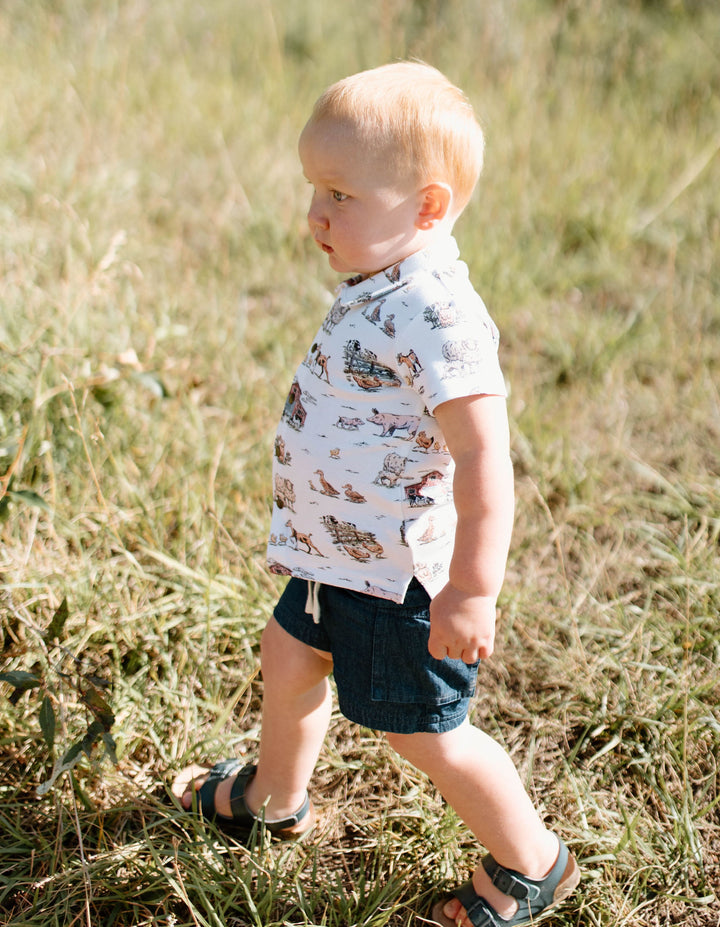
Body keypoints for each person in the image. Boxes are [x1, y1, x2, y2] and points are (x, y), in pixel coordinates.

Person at [173, 61, 580, 927]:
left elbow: (484, 457)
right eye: (315, 189)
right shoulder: (380, 281)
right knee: (288, 658)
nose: (315, 215)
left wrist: (471, 590)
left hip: (401, 583)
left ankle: (532, 861)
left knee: (422, 730)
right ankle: (275, 799)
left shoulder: (440, 312)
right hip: (333, 557)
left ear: (427, 208)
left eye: (340, 195)